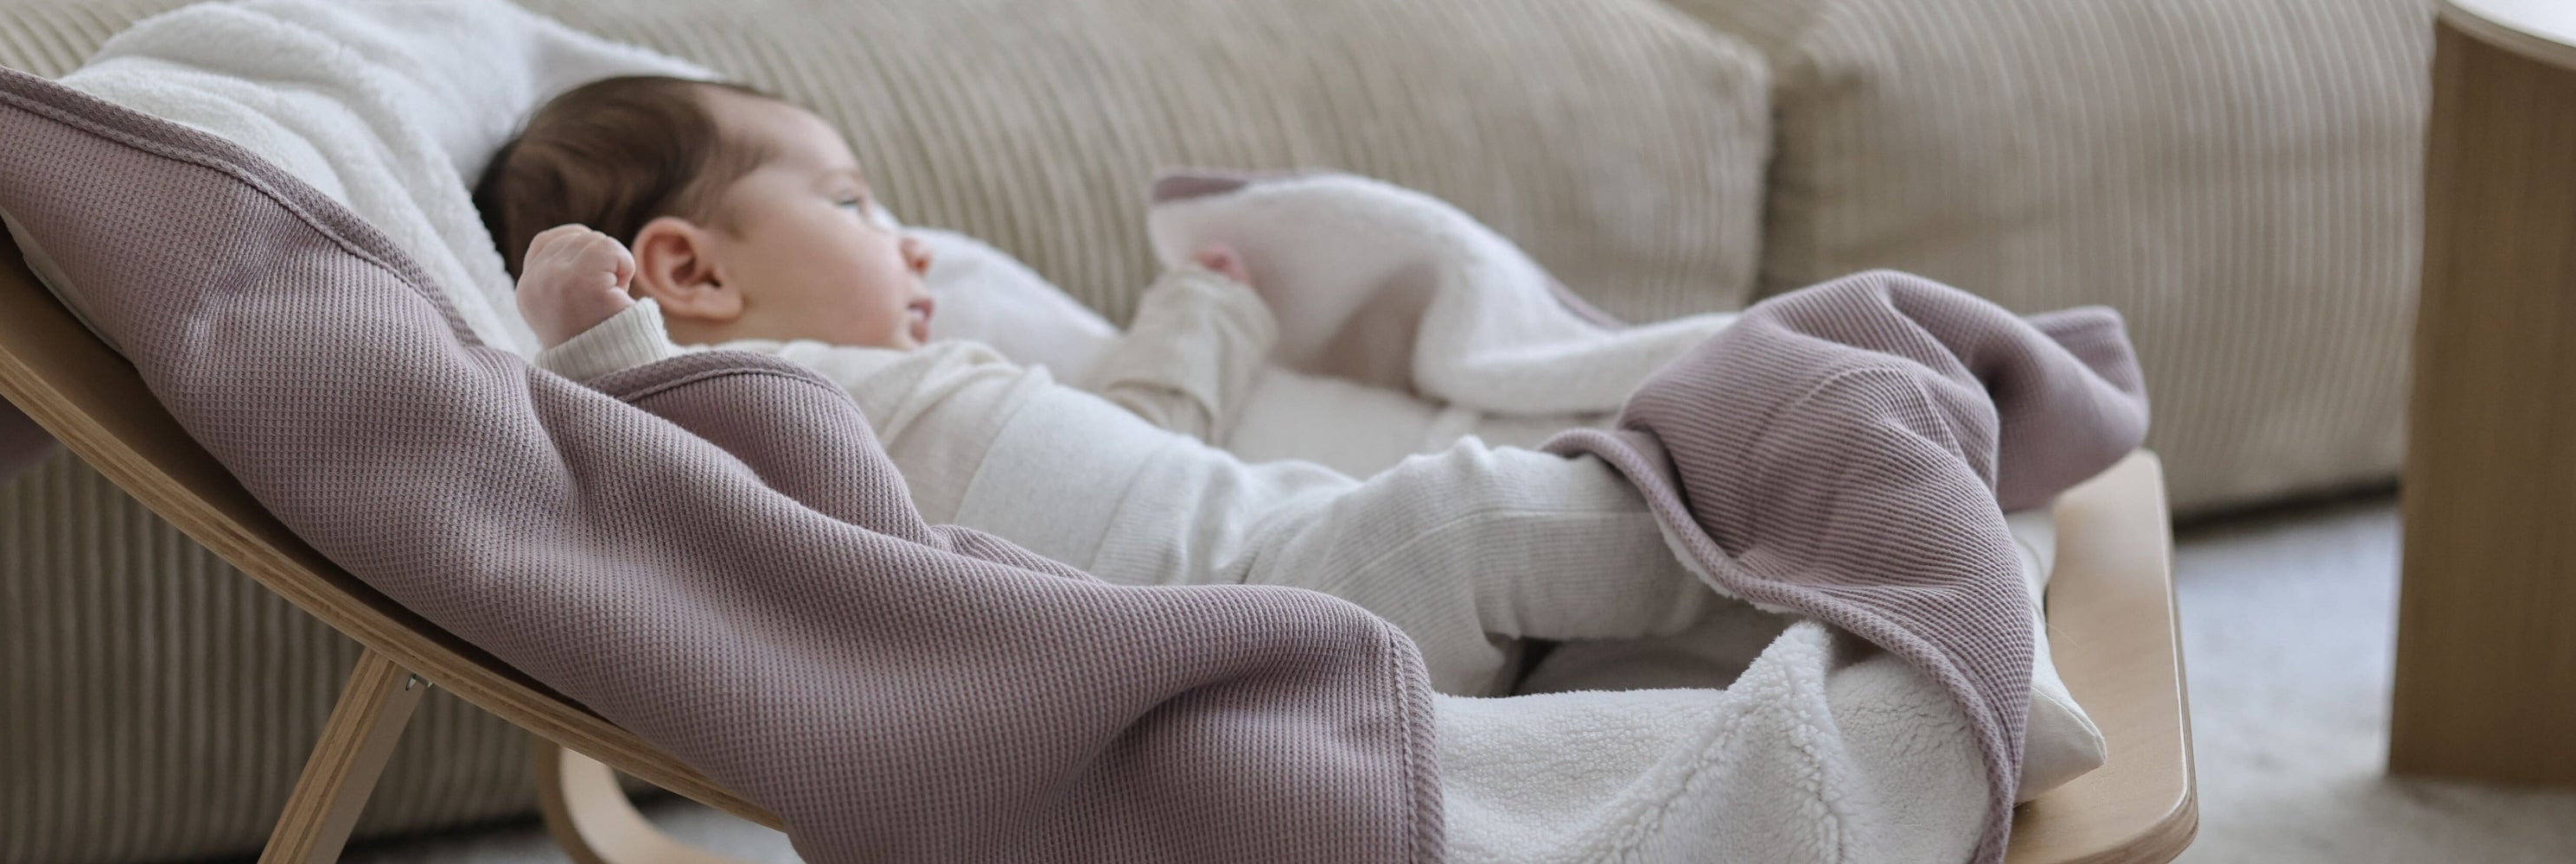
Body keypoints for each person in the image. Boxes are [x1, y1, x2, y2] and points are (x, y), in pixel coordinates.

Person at [475, 76, 1717, 695]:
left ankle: (1746, 595)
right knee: (1480, 518)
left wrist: (1204, 315)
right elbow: (655, 489)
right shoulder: (749, 396)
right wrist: (593, 335)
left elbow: (1137, 428)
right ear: (690, 269)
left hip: (1274, 544)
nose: (912, 246)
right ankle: (1758, 520)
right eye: (852, 205)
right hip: (1248, 611)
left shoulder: (928, 384)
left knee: (1534, 565)